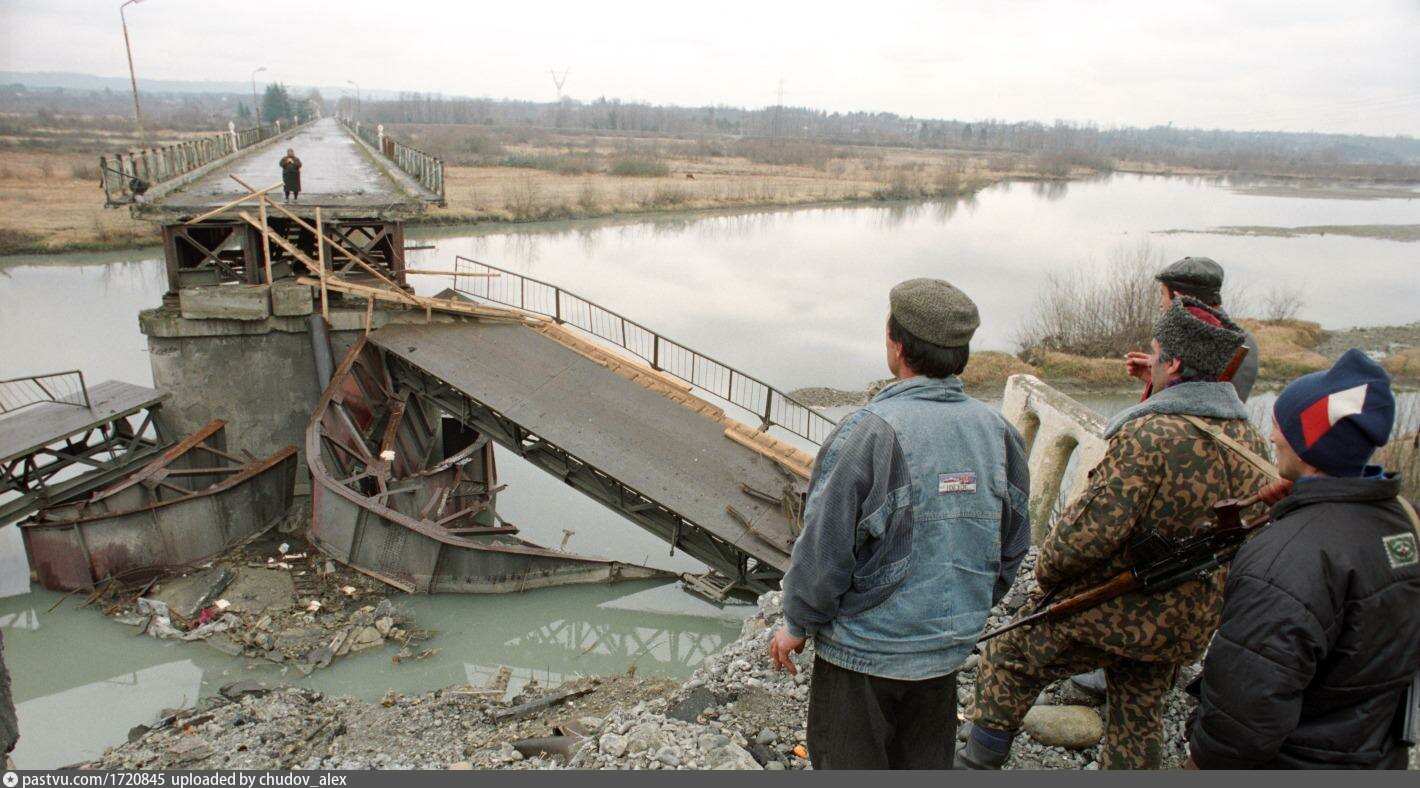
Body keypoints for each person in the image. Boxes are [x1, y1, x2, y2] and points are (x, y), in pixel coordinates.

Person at [958, 297, 1274, 770]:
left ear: (1174, 363)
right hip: (1186, 620)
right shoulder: (1250, 441)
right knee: (1140, 708)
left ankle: (975, 764)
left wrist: (1045, 575)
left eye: (1156, 352)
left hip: (1113, 607)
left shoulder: (1152, 436)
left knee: (1009, 656)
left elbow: (1084, 538)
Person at [767, 278, 1031, 770]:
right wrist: (964, 606)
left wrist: (798, 623)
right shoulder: (998, 433)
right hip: (944, 653)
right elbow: (1013, 545)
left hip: (864, 656)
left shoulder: (868, 432)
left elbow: (825, 550)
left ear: (898, 344)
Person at [1187, 349, 1420, 769]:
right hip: (1378, 756)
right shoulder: (1405, 519)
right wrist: (1303, 502)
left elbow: (1241, 723)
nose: (1273, 437)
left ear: (1310, 443)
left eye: (1280, 427)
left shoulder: (1286, 558)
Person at [1125, 256, 1259, 401]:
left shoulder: (1221, 342)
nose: (1160, 304)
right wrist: (1160, 373)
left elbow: (1195, 408)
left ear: (1179, 298)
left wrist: (1164, 377)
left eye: (1162, 294)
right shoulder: (1241, 338)